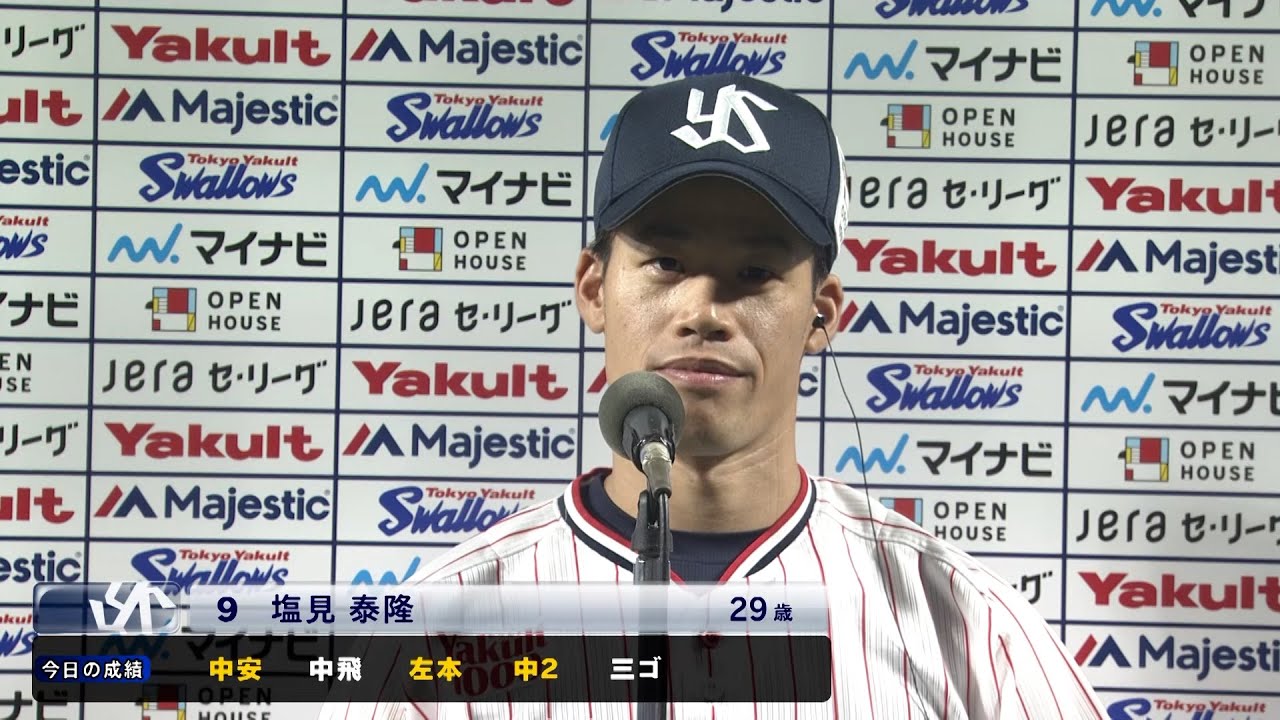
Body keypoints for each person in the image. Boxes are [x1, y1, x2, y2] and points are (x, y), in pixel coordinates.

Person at [321, 73, 1107, 720]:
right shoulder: (446, 625)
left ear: (822, 314)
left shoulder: (963, 622)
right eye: (666, 263)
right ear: (593, 289)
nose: (703, 311)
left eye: (755, 273)